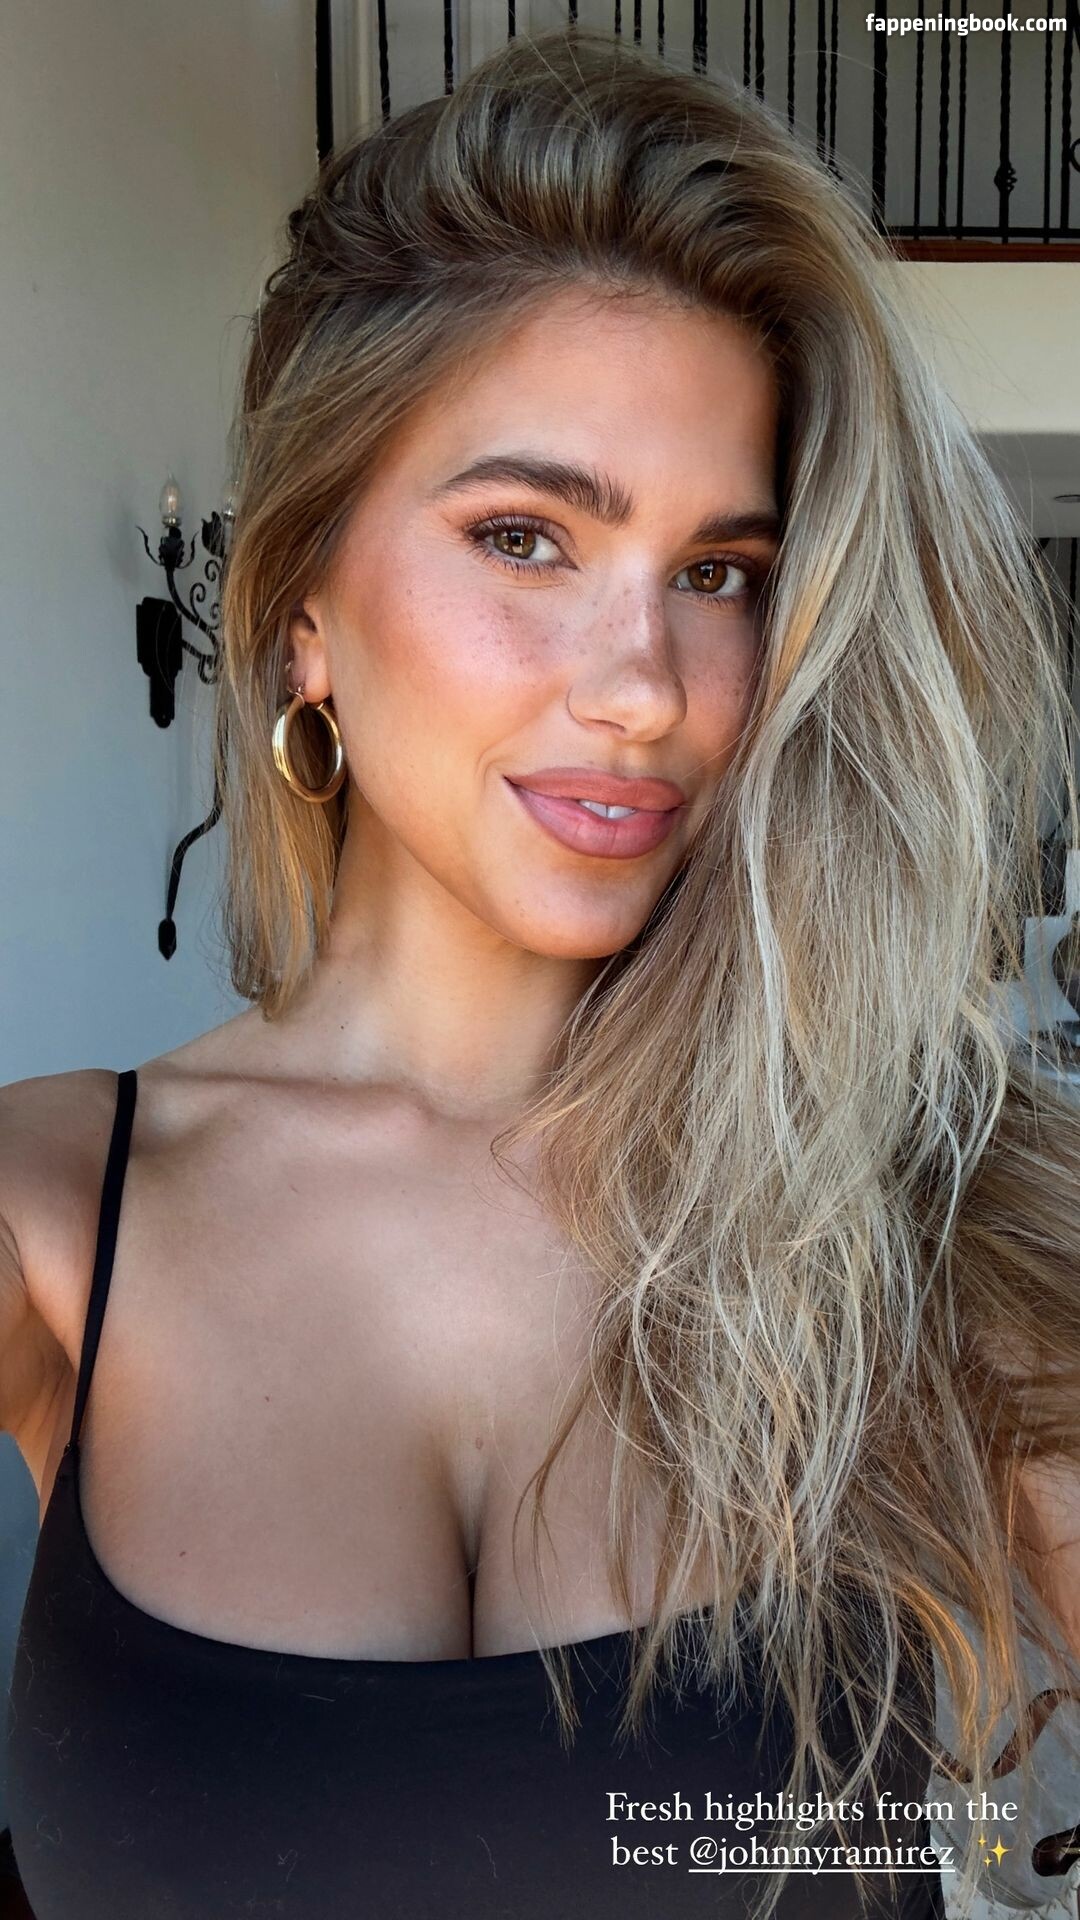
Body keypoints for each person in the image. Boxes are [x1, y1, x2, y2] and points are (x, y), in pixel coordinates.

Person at [3, 23, 1079, 1920]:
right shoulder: (47, 1217)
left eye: (720, 572)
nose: (646, 686)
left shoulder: (926, 1222)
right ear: (305, 607)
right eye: (527, 537)